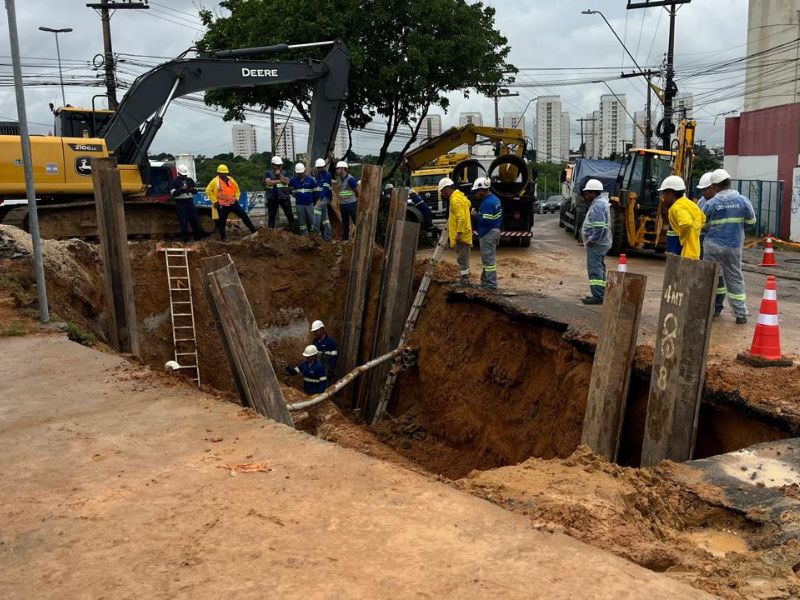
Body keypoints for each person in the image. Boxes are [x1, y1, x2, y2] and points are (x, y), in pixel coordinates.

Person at [702, 168, 757, 324]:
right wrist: (737, 230)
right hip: (734, 246)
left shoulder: (711, 204)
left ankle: (709, 310)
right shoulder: (743, 201)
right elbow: (752, 223)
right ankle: (740, 314)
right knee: (734, 277)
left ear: (714, 186)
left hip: (712, 248)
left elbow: (701, 225)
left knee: (710, 278)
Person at [580, 178, 612, 305]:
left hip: (597, 243)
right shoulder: (601, 203)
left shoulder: (598, 205)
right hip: (602, 242)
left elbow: (599, 226)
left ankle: (598, 295)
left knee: (595, 268)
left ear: (594, 193)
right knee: (599, 268)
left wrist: (593, 239)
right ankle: (601, 293)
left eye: (587, 193)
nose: (586, 195)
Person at [658, 175, 706, 260]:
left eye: (664, 194)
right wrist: (693, 233)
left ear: (670, 193)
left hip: (684, 251)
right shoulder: (689, 204)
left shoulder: (677, 207)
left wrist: (683, 238)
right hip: (693, 249)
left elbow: (686, 224)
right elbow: (702, 218)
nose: (663, 197)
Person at [205, 164, 257, 241]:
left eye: (225, 173)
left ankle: (253, 230)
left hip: (233, 203)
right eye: (223, 173)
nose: (224, 175)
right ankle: (223, 237)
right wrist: (215, 201)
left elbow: (237, 189)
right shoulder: (215, 181)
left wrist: (236, 198)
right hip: (222, 205)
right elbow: (208, 191)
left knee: (244, 215)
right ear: (218, 173)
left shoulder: (230, 179)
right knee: (222, 222)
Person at [439, 177, 472, 285]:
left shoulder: (454, 200)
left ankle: (464, 280)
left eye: (442, 192)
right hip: (466, 235)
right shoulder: (461, 196)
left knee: (462, 259)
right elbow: (468, 204)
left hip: (461, 237)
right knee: (464, 258)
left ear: (447, 189)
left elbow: (461, 217)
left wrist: (459, 233)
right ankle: (465, 279)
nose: (442, 195)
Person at [472, 177, 502, 290]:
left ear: (482, 190)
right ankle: (485, 282)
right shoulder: (495, 199)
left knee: (489, 261)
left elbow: (486, 221)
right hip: (494, 231)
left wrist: (476, 215)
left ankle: (491, 285)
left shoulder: (488, 203)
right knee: (487, 259)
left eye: (476, 191)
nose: (476, 194)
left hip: (488, 233)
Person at [169, 165, 202, 243]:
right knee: (183, 222)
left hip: (190, 202)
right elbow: (173, 193)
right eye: (183, 175)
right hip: (180, 203)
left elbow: (196, 191)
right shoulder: (174, 182)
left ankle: (197, 239)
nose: (184, 176)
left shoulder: (190, 180)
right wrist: (181, 189)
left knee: (194, 221)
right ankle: (186, 240)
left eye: (185, 175)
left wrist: (192, 189)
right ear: (178, 174)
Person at [264, 155, 295, 232]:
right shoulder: (268, 173)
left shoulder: (285, 172)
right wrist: (280, 180)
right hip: (272, 198)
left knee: (290, 215)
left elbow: (287, 181)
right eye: (277, 165)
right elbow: (268, 182)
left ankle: (294, 232)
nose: (279, 167)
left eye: (280, 165)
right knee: (271, 217)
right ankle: (270, 233)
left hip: (284, 197)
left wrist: (279, 175)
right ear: (273, 165)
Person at [289, 163, 318, 236]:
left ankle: (315, 234)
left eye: (301, 173)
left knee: (312, 220)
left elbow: (316, 191)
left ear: (304, 171)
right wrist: (292, 193)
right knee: (301, 221)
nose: (300, 175)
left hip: (309, 204)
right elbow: (288, 187)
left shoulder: (310, 180)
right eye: (298, 173)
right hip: (299, 204)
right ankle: (304, 235)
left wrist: (313, 200)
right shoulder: (293, 180)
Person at [335, 161, 359, 240]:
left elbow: (356, 191)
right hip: (342, 204)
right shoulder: (339, 179)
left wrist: (356, 198)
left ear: (343, 169)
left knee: (356, 221)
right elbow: (340, 190)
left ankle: (359, 238)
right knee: (345, 223)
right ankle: (345, 238)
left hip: (351, 204)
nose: (337, 170)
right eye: (337, 169)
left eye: (338, 168)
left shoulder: (350, 179)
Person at [312, 158, 333, 241]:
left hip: (326, 197)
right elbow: (318, 189)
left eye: (321, 167)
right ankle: (328, 237)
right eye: (318, 167)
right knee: (325, 219)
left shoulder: (327, 175)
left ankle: (315, 230)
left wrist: (319, 199)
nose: (320, 169)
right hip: (320, 197)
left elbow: (325, 189)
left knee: (316, 208)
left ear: (324, 166)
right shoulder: (317, 176)